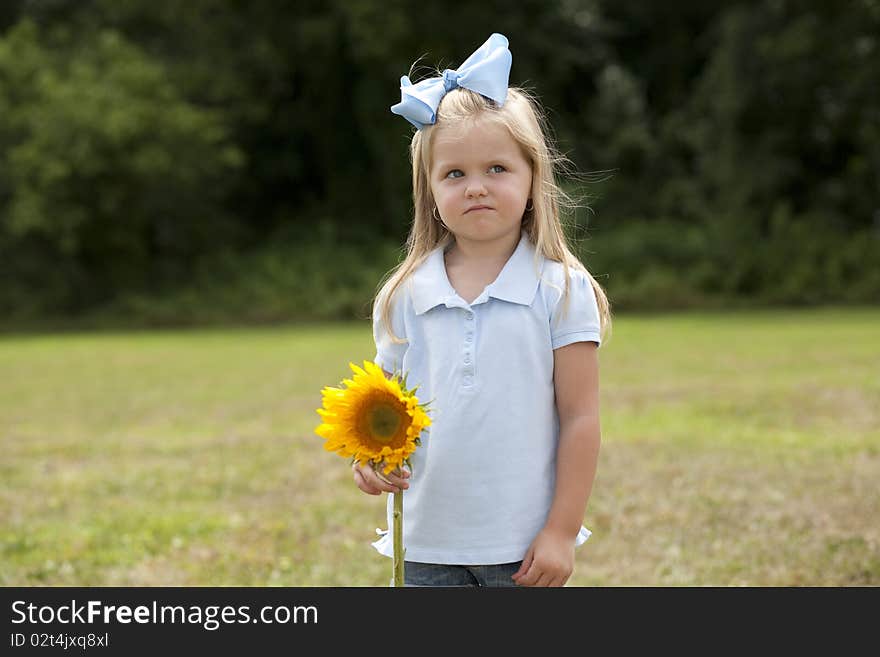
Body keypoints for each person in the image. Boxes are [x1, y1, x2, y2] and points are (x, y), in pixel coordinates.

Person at [353, 33, 612, 587]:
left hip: (523, 548)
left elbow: (581, 419)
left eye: (497, 168)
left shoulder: (561, 290)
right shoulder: (404, 296)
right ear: (429, 190)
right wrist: (370, 457)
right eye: (455, 174)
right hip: (425, 542)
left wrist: (562, 532)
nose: (476, 187)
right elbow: (380, 409)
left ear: (531, 178)